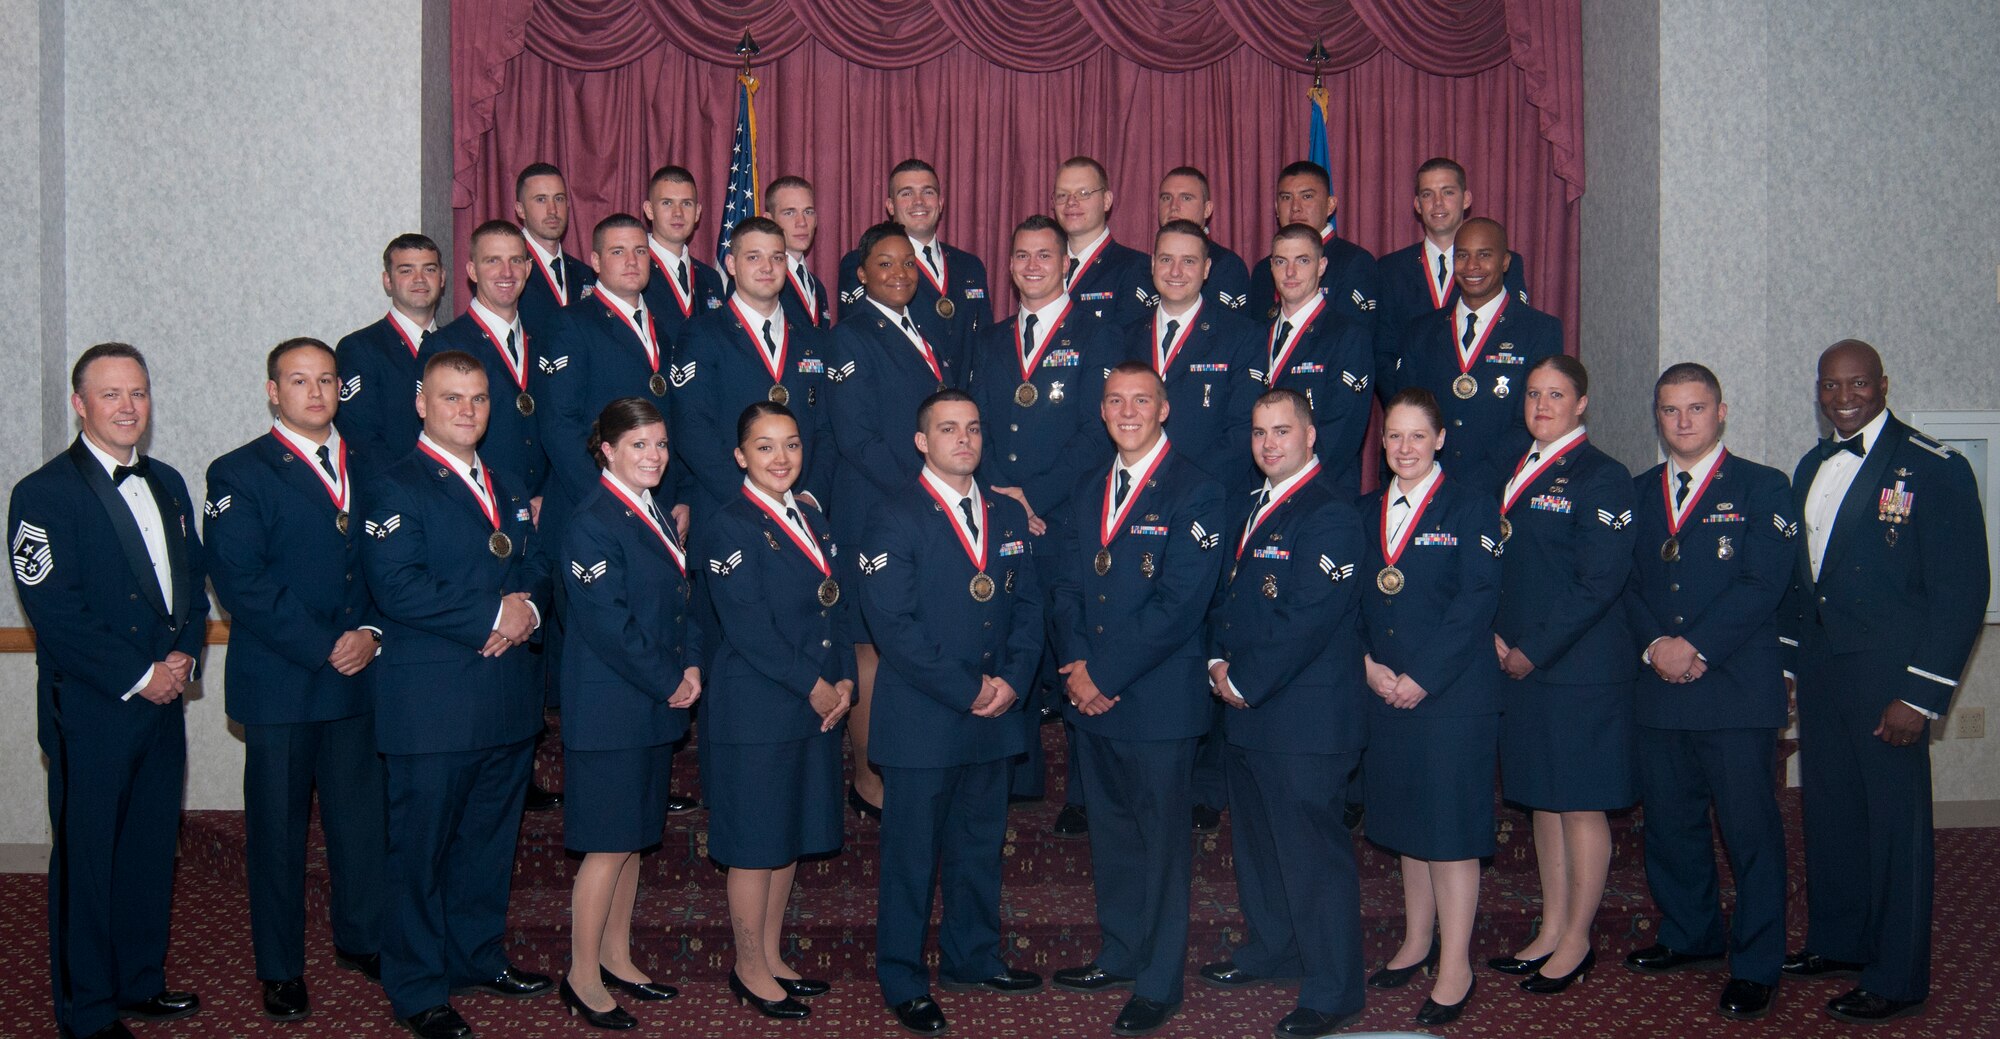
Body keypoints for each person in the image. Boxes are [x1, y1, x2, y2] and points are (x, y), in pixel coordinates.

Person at [1779, 339, 1987, 1024]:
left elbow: (1962, 591)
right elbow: (1800, 583)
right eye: (1832, 386)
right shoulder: (1811, 463)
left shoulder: (1935, 466)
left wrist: (1923, 695)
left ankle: (1897, 975)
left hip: (1891, 683)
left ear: (1883, 384)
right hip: (1823, 674)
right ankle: (1840, 941)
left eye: (1858, 383)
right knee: (1831, 814)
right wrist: (1787, 667)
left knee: (1896, 828)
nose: (1844, 397)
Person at [11, 342, 208, 1039]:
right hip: (95, 706)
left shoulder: (171, 483)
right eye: (111, 395)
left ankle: (138, 980)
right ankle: (87, 1008)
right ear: (80, 403)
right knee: (89, 860)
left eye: (139, 393)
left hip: (163, 697)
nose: (128, 407)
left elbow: (191, 581)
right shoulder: (42, 494)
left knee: (151, 847)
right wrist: (140, 673)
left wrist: (184, 652)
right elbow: (57, 611)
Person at [361, 350, 554, 1039]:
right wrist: (491, 616)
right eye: (451, 398)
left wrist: (526, 609)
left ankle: (477, 955)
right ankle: (416, 986)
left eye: (476, 398)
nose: (466, 410)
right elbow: (398, 585)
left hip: (504, 700)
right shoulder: (392, 485)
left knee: (487, 843)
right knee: (420, 853)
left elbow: (532, 557)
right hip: (433, 710)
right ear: (421, 403)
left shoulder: (501, 482)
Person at [204, 338, 387, 1022]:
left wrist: (370, 634)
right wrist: (324, 644)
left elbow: (389, 564)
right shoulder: (239, 472)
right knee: (277, 834)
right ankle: (280, 967)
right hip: (282, 682)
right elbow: (241, 583)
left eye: (327, 380)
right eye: (299, 381)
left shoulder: (372, 465)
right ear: (272, 390)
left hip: (359, 675)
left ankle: (362, 938)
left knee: (360, 823)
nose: (316, 392)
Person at [858, 390, 1046, 1035]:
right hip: (925, 719)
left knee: (979, 847)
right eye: (947, 429)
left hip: (995, 714)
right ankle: (902, 976)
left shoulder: (1007, 514)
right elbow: (894, 627)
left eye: (971, 428)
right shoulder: (893, 517)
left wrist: (1014, 682)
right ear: (922, 441)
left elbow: (1028, 610)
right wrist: (968, 689)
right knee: (912, 855)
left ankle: (973, 956)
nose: (962, 440)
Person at [1047, 362, 1226, 1037]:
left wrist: (1104, 674)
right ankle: (1121, 951)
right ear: (1100, 410)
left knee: (1160, 844)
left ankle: (1159, 978)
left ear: (1165, 408)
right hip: (1091, 696)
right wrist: (1074, 669)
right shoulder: (1089, 486)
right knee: (1113, 835)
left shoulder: (1198, 491)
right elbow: (1064, 583)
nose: (1128, 411)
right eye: (1116, 400)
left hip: (1156, 701)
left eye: (1141, 400)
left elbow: (1181, 604)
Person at [1620, 363, 1793, 1021]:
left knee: (1749, 830)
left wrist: (1694, 647)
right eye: (1670, 410)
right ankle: (1690, 934)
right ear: (1657, 416)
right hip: (1659, 688)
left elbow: (1763, 582)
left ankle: (1756, 962)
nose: (1683, 421)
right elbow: (1625, 584)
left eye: (1696, 408)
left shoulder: (1761, 486)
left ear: (1721, 412)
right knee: (1671, 824)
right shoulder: (1636, 492)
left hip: (1733, 689)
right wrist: (1654, 646)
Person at [1197, 387, 1370, 1038]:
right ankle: (1273, 948)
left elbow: (1308, 619)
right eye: (1259, 431)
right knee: (1260, 847)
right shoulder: (1249, 506)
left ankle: (1333, 989)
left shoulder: (1328, 513)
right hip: (1246, 710)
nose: (1269, 443)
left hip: (1304, 720)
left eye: (1282, 430)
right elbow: (1225, 601)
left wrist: (1242, 677)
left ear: (1310, 435)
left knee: (1312, 855)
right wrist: (1215, 663)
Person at [695, 402, 855, 1021]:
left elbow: (833, 604)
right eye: (764, 447)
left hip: (810, 702)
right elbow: (746, 627)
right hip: (758, 707)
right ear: (740, 457)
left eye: (790, 444)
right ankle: (747, 965)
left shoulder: (810, 515)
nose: (781, 458)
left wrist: (843, 675)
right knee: (755, 841)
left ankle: (772, 953)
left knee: (786, 834)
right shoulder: (728, 523)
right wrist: (813, 684)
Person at [1488, 354, 1638, 995]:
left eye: (1555, 394)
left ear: (1581, 404)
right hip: (1517, 664)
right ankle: (1550, 928)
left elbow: (1598, 582)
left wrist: (1532, 649)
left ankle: (1577, 939)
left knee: (1579, 805)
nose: (1541, 404)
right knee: (1543, 804)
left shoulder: (1604, 477)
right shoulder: (1512, 467)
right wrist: (1494, 634)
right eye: (1532, 393)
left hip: (1577, 668)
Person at [1354, 388, 1502, 1026]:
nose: (1404, 448)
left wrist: (1423, 676)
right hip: (1383, 689)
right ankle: (1416, 941)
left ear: (1440, 439)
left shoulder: (1472, 507)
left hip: (1451, 696)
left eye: (1417, 436)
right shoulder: (1364, 511)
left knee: (1450, 831)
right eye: (1393, 436)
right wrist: (1366, 663)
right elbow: (1351, 598)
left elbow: (1477, 601)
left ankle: (1456, 964)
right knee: (1409, 823)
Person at [554, 398, 701, 1030]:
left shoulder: (656, 514)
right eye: (639, 446)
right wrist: (672, 678)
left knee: (634, 841)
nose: (655, 457)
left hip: (650, 701)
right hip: (611, 708)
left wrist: (691, 666)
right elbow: (607, 623)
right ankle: (581, 975)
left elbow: (680, 603)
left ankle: (616, 956)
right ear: (606, 450)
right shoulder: (591, 521)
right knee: (606, 848)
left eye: (662, 445)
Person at [968, 214, 1117, 829]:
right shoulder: (991, 340)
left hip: (1069, 518)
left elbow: (1098, 432)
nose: (1032, 266)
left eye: (1044, 256)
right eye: (1022, 255)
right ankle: (1017, 774)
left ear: (1066, 265)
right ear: (1009, 265)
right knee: (1008, 637)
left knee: (1075, 643)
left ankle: (1085, 792)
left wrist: (1032, 496)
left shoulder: (1098, 335)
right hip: (1003, 517)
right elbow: (975, 426)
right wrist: (1004, 498)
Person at [1127, 218, 1262, 832]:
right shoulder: (1124, 333)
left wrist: (1178, 487)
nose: (1175, 271)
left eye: (1189, 261)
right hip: (1127, 516)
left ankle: (1206, 780)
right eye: (1165, 260)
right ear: (1151, 266)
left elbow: (1243, 436)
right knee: (1139, 624)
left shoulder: (1240, 336)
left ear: (1208, 269)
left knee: (1206, 634)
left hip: (1211, 510)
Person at [828, 221, 959, 818]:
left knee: (911, 635)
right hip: (875, 510)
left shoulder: (924, 329)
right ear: (862, 275)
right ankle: (868, 779)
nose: (901, 272)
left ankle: (910, 766)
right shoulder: (850, 337)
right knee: (870, 646)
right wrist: (925, 492)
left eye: (908, 262)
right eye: (885, 264)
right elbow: (858, 439)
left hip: (918, 508)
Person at [670, 217, 836, 521]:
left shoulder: (813, 339)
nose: (767, 267)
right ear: (731, 264)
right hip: (729, 511)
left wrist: (812, 494)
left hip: (802, 511)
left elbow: (827, 430)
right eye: (753, 257)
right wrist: (754, 501)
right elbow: (693, 429)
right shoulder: (702, 335)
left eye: (776, 257)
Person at [1386, 218, 1561, 496]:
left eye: (1484, 255)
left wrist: (1477, 484)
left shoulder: (1539, 331)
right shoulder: (1421, 330)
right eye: (1463, 255)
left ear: (1505, 261)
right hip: (1430, 488)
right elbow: (1409, 412)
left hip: (1506, 488)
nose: (1472, 266)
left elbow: (1536, 419)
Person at [420, 220, 550, 512]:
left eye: (516, 260)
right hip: (473, 505)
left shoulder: (545, 341)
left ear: (528, 269)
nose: (507, 272)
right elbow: (433, 439)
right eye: (493, 261)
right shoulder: (444, 345)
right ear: (471, 271)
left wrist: (548, 496)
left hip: (544, 509)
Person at [1373, 158, 1528, 399]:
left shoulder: (1503, 263)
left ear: (1466, 199)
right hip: (1414, 412)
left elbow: (1515, 335)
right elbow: (1383, 352)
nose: (1437, 203)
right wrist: (1405, 410)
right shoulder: (1391, 269)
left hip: (1485, 404)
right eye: (1427, 194)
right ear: (1417, 204)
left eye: (1447, 192)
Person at [836, 159, 992, 376]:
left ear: (940, 202)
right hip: (904, 399)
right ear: (890, 206)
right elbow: (861, 341)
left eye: (928, 192)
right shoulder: (863, 262)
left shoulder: (969, 266)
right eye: (906, 193)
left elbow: (984, 345)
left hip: (965, 403)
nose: (919, 201)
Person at [1258, 224, 1373, 493]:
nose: (1290, 272)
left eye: (1303, 261)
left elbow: (1342, 431)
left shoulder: (1347, 335)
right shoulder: (1256, 333)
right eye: (1280, 261)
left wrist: (1293, 485)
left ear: (1322, 266)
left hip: (1322, 491)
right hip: (1261, 490)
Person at [335, 233, 442, 463]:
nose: (420, 279)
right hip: (394, 491)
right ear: (387, 281)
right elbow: (361, 440)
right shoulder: (360, 349)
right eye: (406, 270)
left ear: (442, 278)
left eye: (429, 269)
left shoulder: (457, 346)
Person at [1249, 161, 1378, 332]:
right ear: (1276, 208)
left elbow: (1353, 338)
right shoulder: (1263, 269)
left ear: (1330, 205)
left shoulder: (1353, 262)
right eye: (1286, 198)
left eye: (1307, 196)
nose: (1295, 208)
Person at [1052, 156, 1152, 326]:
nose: (1071, 202)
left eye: (1083, 194)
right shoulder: (1043, 266)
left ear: (1106, 201)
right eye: (1062, 195)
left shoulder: (1135, 268)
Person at [639, 165, 728, 347]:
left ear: (697, 212)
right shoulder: (634, 269)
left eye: (686, 203)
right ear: (649, 210)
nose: (678, 213)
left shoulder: (711, 278)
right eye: (667, 203)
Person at [515, 163, 597, 338]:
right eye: (541, 199)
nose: (552, 210)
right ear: (520, 210)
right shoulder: (507, 272)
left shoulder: (585, 273)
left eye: (559, 198)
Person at [1156, 166, 1252, 313]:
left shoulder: (1227, 266)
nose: (1173, 206)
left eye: (1186, 198)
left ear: (1207, 209)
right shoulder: (1145, 266)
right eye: (1166, 198)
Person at [765, 176, 831, 329]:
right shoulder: (763, 279)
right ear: (769, 220)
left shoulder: (817, 286)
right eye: (789, 213)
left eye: (808, 212)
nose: (802, 222)